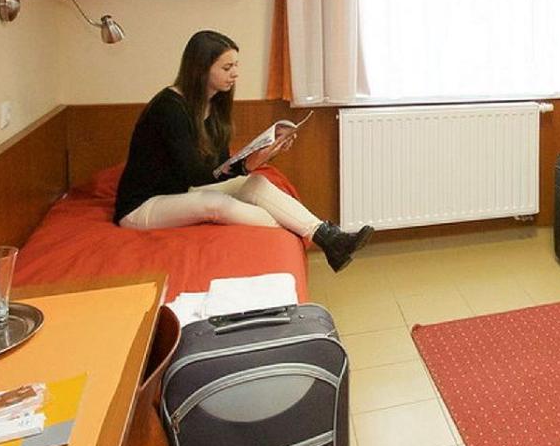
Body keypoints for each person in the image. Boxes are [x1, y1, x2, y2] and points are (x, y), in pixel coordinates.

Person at [115, 29, 373, 272]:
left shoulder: (212, 104)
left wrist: (266, 153)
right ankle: (296, 232)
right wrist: (245, 165)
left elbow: (219, 163)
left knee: (255, 183)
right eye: (227, 68)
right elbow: (194, 174)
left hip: (181, 191)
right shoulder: (169, 108)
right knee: (215, 204)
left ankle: (329, 237)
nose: (235, 74)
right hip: (142, 206)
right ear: (201, 69)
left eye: (236, 66)